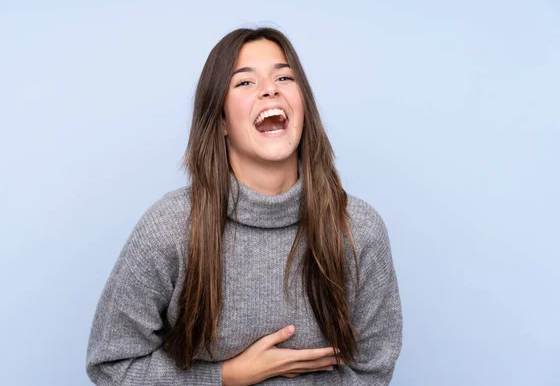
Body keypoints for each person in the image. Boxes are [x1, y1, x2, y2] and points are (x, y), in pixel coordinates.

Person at [86, 26, 403, 385]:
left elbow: (372, 371)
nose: (271, 88)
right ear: (220, 120)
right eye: (245, 83)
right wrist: (226, 376)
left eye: (284, 76)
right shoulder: (171, 228)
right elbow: (110, 365)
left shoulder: (359, 229)